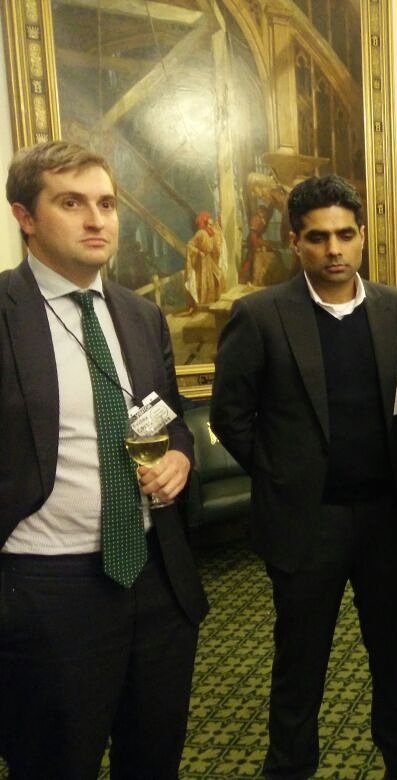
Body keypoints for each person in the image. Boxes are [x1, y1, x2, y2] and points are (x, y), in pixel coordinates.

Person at [210, 174, 397, 780]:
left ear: (362, 237)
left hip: (386, 520)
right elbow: (231, 416)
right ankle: (289, 769)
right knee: (300, 662)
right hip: (307, 524)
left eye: (345, 235)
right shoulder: (259, 315)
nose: (333, 249)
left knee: (393, 655)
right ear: (295, 242)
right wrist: (283, 474)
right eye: (317, 238)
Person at [0, 140, 208, 777]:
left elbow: (168, 418)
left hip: (153, 578)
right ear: (25, 217)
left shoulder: (142, 316)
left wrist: (179, 456)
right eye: (71, 203)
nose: (97, 220)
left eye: (107, 203)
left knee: (154, 759)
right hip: (44, 589)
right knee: (57, 761)